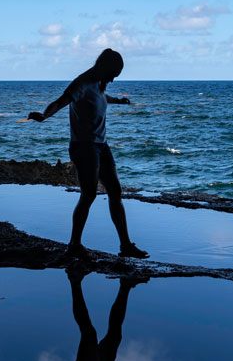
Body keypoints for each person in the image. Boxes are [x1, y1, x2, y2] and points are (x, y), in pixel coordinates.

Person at [27, 48, 149, 259]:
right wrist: (44, 115)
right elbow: (61, 101)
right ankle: (74, 244)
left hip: (101, 145)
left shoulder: (100, 84)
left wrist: (118, 101)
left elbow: (101, 97)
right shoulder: (81, 83)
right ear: (103, 67)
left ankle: (125, 245)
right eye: (113, 74)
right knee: (89, 194)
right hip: (84, 146)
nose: (113, 79)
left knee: (115, 191)